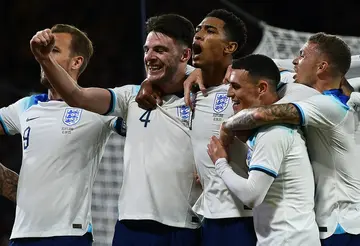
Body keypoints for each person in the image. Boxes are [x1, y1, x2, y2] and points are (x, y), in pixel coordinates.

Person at [30, 15, 202, 246]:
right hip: (132, 228)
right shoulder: (130, 97)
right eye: (147, 49)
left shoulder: (205, 97)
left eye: (160, 50)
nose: (150, 57)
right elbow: (76, 96)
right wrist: (45, 60)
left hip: (186, 226)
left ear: (184, 55)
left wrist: (196, 72)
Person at [220, 33, 360, 245]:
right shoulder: (304, 90)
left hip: (342, 224)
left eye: (302, 55)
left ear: (321, 67)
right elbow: (272, 68)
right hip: (326, 224)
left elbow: (260, 114)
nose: (295, 61)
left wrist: (227, 127)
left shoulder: (331, 106)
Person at [135, 9, 257, 246]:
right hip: (207, 218)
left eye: (209, 31)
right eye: (198, 30)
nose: (198, 35)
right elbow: (167, 73)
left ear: (229, 47)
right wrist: (148, 83)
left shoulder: (246, 87)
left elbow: (287, 75)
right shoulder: (190, 91)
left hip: (245, 217)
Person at [2, 24, 124, 246]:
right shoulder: (26, 106)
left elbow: (139, 126)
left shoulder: (97, 109)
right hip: (21, 235)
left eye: (54, 50)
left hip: (68, 234)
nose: (44, 54)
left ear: (77, 62)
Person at [208, 54, 320, 245]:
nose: (228, 93)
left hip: (289, 240)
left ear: (262, 88)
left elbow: (252, 195)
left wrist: (220, 163)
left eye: (235, 86)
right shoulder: (267, 129)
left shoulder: (273, 132)